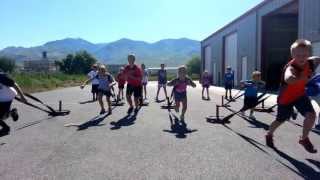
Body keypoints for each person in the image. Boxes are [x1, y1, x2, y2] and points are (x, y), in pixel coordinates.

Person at [265, 39, 320, 153]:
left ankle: (304, 139)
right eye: (298, 55)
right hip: (286, 99)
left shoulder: (312, 62)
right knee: (281, 120)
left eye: (304, 55)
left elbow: (317, 59)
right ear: (292, 55)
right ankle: (269, 134)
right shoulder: (291, 68)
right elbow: (288, 78)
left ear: (308, 54)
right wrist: (300, 78)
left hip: (300, 95)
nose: (301, 58)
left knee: (311, 115)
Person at [0, 71, 27, 136]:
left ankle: (6, 128)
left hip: (7, 97)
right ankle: (12, 113)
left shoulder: (1, 77)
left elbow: (15, 84)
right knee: (2, 115)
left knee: (2, 116)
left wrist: (22, 97)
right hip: (2, 97)